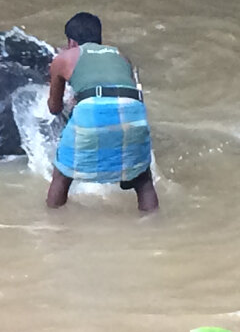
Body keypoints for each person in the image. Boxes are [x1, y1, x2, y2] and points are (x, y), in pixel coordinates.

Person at [46, 12, 159, 213]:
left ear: (71, 42)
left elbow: (54, 107)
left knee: (62, 175)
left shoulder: (64, 58)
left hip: (92, 111)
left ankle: (52, 223)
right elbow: (123, 94)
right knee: (143, 180)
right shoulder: (121, 56)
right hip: (134, 111)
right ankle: (153, 223)